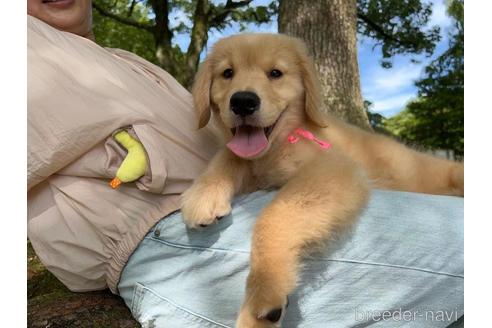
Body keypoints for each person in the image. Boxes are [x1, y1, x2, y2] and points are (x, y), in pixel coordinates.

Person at [27, 1, 464, 327]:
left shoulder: (122, 58)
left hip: (258, 206)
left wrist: (229, 169)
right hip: (176, 242)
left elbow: (258, 153)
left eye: (275, 74)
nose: (244, 91)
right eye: (227, 75)